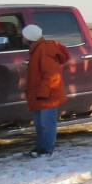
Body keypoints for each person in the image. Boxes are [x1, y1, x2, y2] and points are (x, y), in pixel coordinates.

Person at [23, 24, 70, 156]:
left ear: (28, 37)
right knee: (40, 124)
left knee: (47, 124)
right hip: (40, 93)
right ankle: (40, 148)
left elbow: (51, 75)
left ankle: (46, 149)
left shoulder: (44, 50)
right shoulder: (38, 49)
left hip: (47, 94)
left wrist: (43, 93)